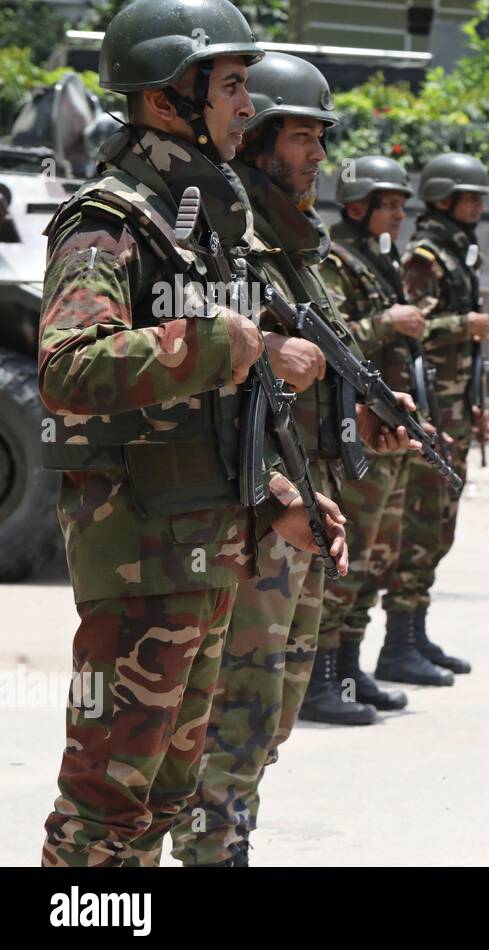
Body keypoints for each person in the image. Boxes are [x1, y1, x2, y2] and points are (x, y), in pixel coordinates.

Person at [38, 0, 347, 867]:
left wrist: (282, 500)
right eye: (234, 84)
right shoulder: (112, 219)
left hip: (205, 550)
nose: (247, 107)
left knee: (167, 799)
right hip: (139, 559)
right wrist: (218, 341)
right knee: (105, 803)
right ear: (173, 92)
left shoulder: (199, 224)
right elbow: (68, 368)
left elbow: (211, 413)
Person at [170, 53, 422, 866]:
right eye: (302, 138)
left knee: (271, 712)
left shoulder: (298, 248)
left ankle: (231, 841)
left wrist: (368, 418)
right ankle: (211, 852)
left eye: (321, 139)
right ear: (257, 141)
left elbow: (322, 372)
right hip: (249, 506)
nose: (317, 156)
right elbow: (197, 365)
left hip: (303, 502)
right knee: (233, 713)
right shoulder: (221, 234)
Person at [307, 155, 451, 712]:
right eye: (387, 204)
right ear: (357, 206)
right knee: (351, 560)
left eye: (400, 205)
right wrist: (386, 323)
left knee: (377, 559)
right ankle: (320, 681)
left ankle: (348, 670)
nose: (398, 215)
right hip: (356, 432)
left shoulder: (378, 262)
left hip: (390, 430)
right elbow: (331, 345)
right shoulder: (336, 262)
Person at [385, 152, 489, 679]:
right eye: (469, 197)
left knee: (441, 525)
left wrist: (474, 405)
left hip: (453, 409)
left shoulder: (460, 252)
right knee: (423, 522)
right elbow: (412, 327)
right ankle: (397, 645)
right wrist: (463, 325)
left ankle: (414, 634)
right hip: (431, 410)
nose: (477, 207)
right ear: (443, 198)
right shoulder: (427, 256)